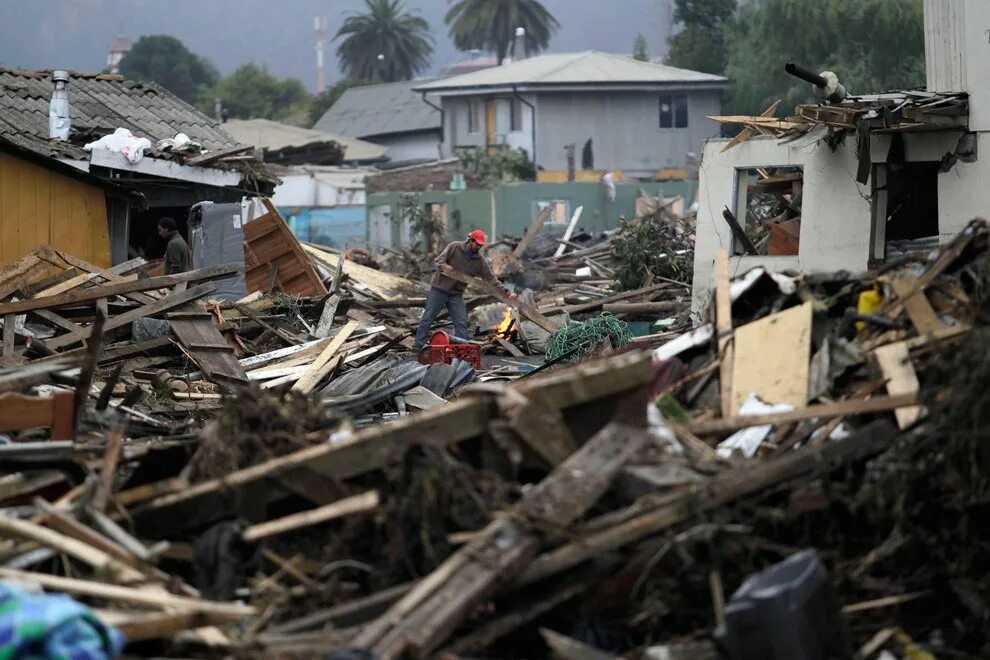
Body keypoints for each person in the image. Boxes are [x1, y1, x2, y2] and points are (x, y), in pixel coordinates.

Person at [413, 229, 516, 351]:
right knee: (427, 318)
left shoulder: (479, 261)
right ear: (470, 240)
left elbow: (491, 279)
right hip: (439, 290)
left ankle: (461, 350)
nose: (478, 247)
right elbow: (439, 260)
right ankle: (417, 346)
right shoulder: (454, 247)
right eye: (477, 244)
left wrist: (507, 292)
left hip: (456, 295)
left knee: (461, 323)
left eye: (480, 245)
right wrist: (445, 267)